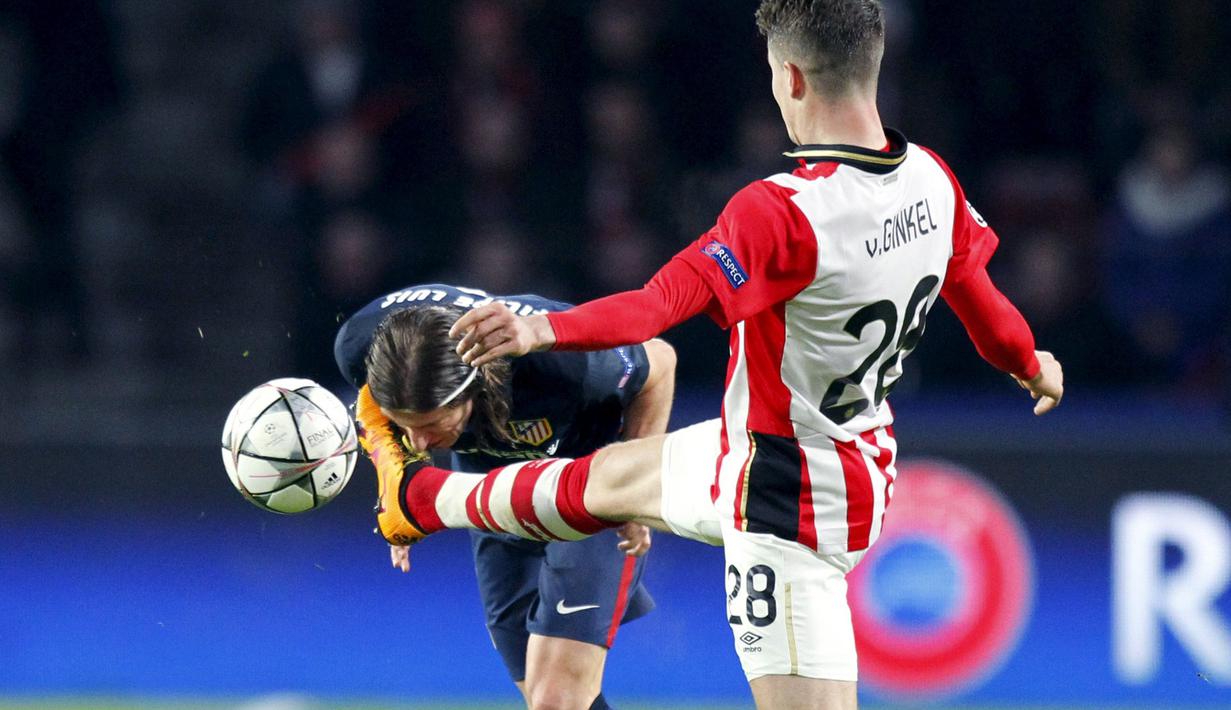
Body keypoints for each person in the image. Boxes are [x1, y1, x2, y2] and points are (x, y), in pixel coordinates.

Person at [361, 2, 1065, 708]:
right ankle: (421, 498)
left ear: (788, 77)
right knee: (601, 480)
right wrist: (1030, 362)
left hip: (784, 513)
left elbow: (658, 304)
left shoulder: (782, 212)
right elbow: (984, 310)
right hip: (814, 450)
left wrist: (544, 330)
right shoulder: (929, 179)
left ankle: (425, 498)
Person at [336, 283, 676, 710]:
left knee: (556, 697)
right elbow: (378, 420)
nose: (420, 444)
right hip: (491, 488)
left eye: (431, 424)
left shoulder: (560, 364)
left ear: (473, 388)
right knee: (540, 692)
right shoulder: (360, 349)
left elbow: (661, 360)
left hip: (591, 486)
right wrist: (397, 491)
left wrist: (636, 489)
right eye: (406, 426)